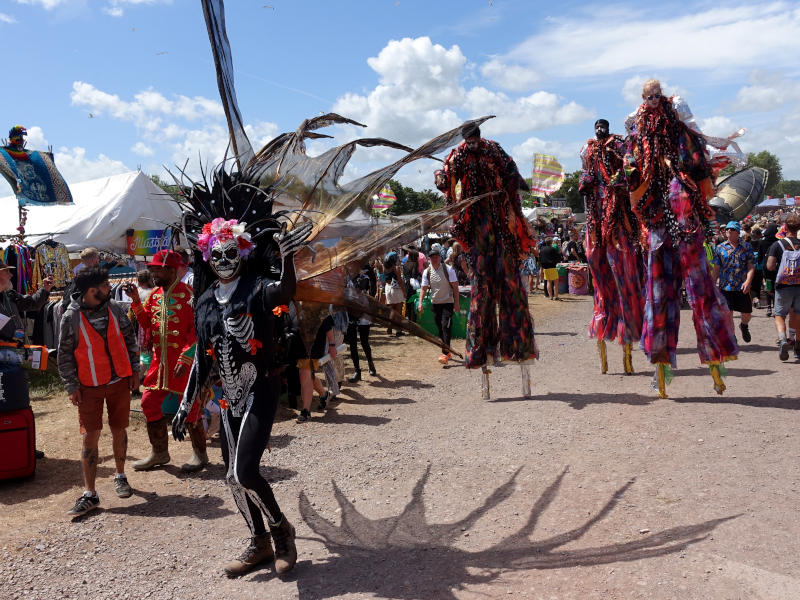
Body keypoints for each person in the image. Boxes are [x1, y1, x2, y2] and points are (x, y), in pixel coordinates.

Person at [172, 216, 312, 577]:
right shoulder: (203, 302)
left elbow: (285, 292)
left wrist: (288, 257)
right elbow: (203, 358)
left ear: (242, 251)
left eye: (230, 253)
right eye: (216, 255)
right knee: (232, 478)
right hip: (227, 396)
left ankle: (282, 531)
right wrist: (187, 405)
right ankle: (259, 541)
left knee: (244, 470)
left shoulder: (256, 287)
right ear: (207, 256)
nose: (223, 261)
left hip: (259, 388)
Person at [624, 79, 738, 397]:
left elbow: (699, 164)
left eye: (656, 96)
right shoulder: (638, 135)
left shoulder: (678, 133)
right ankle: (664, 370)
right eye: (648, 97)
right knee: (660, 295)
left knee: (698, 291)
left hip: (680, 210)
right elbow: (630, 178)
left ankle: (714, 365)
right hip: (659, 218)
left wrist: (675, 168)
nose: (653, 102)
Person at [435, 122, 538, 399]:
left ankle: (518, 347)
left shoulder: (494, 149)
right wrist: (441, 180)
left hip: (502, 228)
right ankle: (483, 349)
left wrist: (514, 180)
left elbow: (511, 170)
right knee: (483, 293)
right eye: (468, 140)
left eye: (475, 139)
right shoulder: (457, 156)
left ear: (480, 137)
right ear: (464, 140)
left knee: (511, 289)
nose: (473, 144)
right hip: (477, 231)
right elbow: (446, 179)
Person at [57, 267, 139, 516]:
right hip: (88, 386)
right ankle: (90, 493)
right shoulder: (70, 317)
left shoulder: (114, 308)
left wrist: (135, 371)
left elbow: (129, 338)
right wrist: (71, 386)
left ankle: (120, 475)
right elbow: (64, 355)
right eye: (104, 285)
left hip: (118, 382)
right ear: (91, 290)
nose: (108, 288)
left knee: (119, 429)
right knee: (90, 436)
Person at [125, 250, 203, 472]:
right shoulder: (154, 295)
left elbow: (195, 331)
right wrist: (135, 301)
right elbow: (147, 323)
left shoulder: (189, 295)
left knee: (189, 407)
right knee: (148, 402)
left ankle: (200, 453)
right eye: (152, 269)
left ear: (170, 270)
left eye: (157, 269)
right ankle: (159, 453)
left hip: (182, 364)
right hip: (159, 364)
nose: (154, 273)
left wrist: (187, 357)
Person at [579, 118, 644, 375]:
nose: (598, 130)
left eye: (602, 126)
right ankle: (604, 339)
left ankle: (627, 347)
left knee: (624, 280)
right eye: (595, 127)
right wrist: (585, 182)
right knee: (600, 283)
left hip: (618, 219)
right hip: (596, 222)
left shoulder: (619, 143)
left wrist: (620, 178)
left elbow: (632, 164)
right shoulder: (589, 149)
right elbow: (586, 173)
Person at [713, 221, 755, 343]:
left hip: (742, 286)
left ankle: (744, 325)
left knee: (746, 313)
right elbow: (716, 269)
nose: (729, 231)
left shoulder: (746, 247)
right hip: (726, 287)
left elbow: (751, 266)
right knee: (727, 314)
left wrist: (748, 281)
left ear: (738, 232)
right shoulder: (720, 248)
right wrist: (712, 284)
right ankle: (732, 337)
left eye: (732, 229)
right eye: (727, 229)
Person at [766, 214, 800, 361]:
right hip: (799, 286)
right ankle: (797, 345)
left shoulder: (777, 245)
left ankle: (783, 340)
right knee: (797, 315)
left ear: (785, 227)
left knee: (779, 315)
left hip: (783, 286)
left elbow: (770, 266)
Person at [418, 247, 460, 365]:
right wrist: (420, 302)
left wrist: (456, 303)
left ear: (440, 258)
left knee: (445, 326)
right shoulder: (427, 272)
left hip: (447, 302)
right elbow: (423, 288)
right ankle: (448, 350)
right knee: (440, 329)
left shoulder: (448, 269)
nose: (435, 259)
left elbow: (455, 286)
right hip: (435, 303)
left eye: (437, 257)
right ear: (429, 259)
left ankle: (444, 354)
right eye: (432, 257)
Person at [295, 314, 335, 423]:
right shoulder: (294, 303)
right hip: (297, 345)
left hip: (313, 347)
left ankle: (306, 411)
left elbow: (328, 327)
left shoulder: (318, 305)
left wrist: (332, 345)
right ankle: (324, 394)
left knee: (304, 376)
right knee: (308, 377)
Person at [0, 261, 53, 343]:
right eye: (6, 272)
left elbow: (32, 303)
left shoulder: (9, 295)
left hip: (15, 350)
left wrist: (45, 289)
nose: (11, 275)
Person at [347, 262, 377, 382]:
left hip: (364, 312)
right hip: (350, 311)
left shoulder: (366, 272)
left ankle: (370, 363)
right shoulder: (346, 273)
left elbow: (371, 288)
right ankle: (357, 370)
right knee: (352, 343)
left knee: (364, 341)